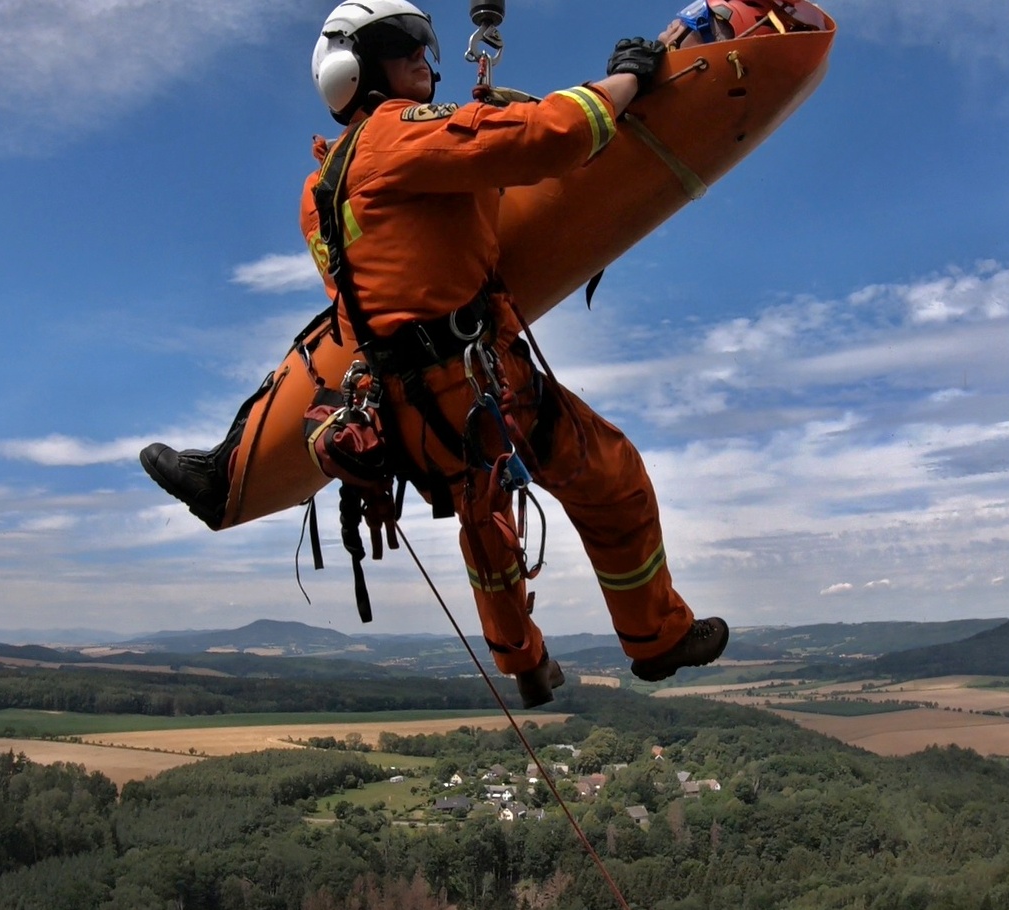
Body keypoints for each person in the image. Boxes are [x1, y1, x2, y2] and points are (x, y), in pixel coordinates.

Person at [142, 0, 729, 707]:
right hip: (476, 376)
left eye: (426, 42)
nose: (426, 56)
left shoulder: (320, 189)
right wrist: (628, 78)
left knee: (486, 523)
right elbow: (557, 136)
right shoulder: (397, 136)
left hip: (405, 403)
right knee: (609, 475)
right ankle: (657, 638)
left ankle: (525, 663)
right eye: (404, 44)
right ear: (357, 71)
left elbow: (378, 279)